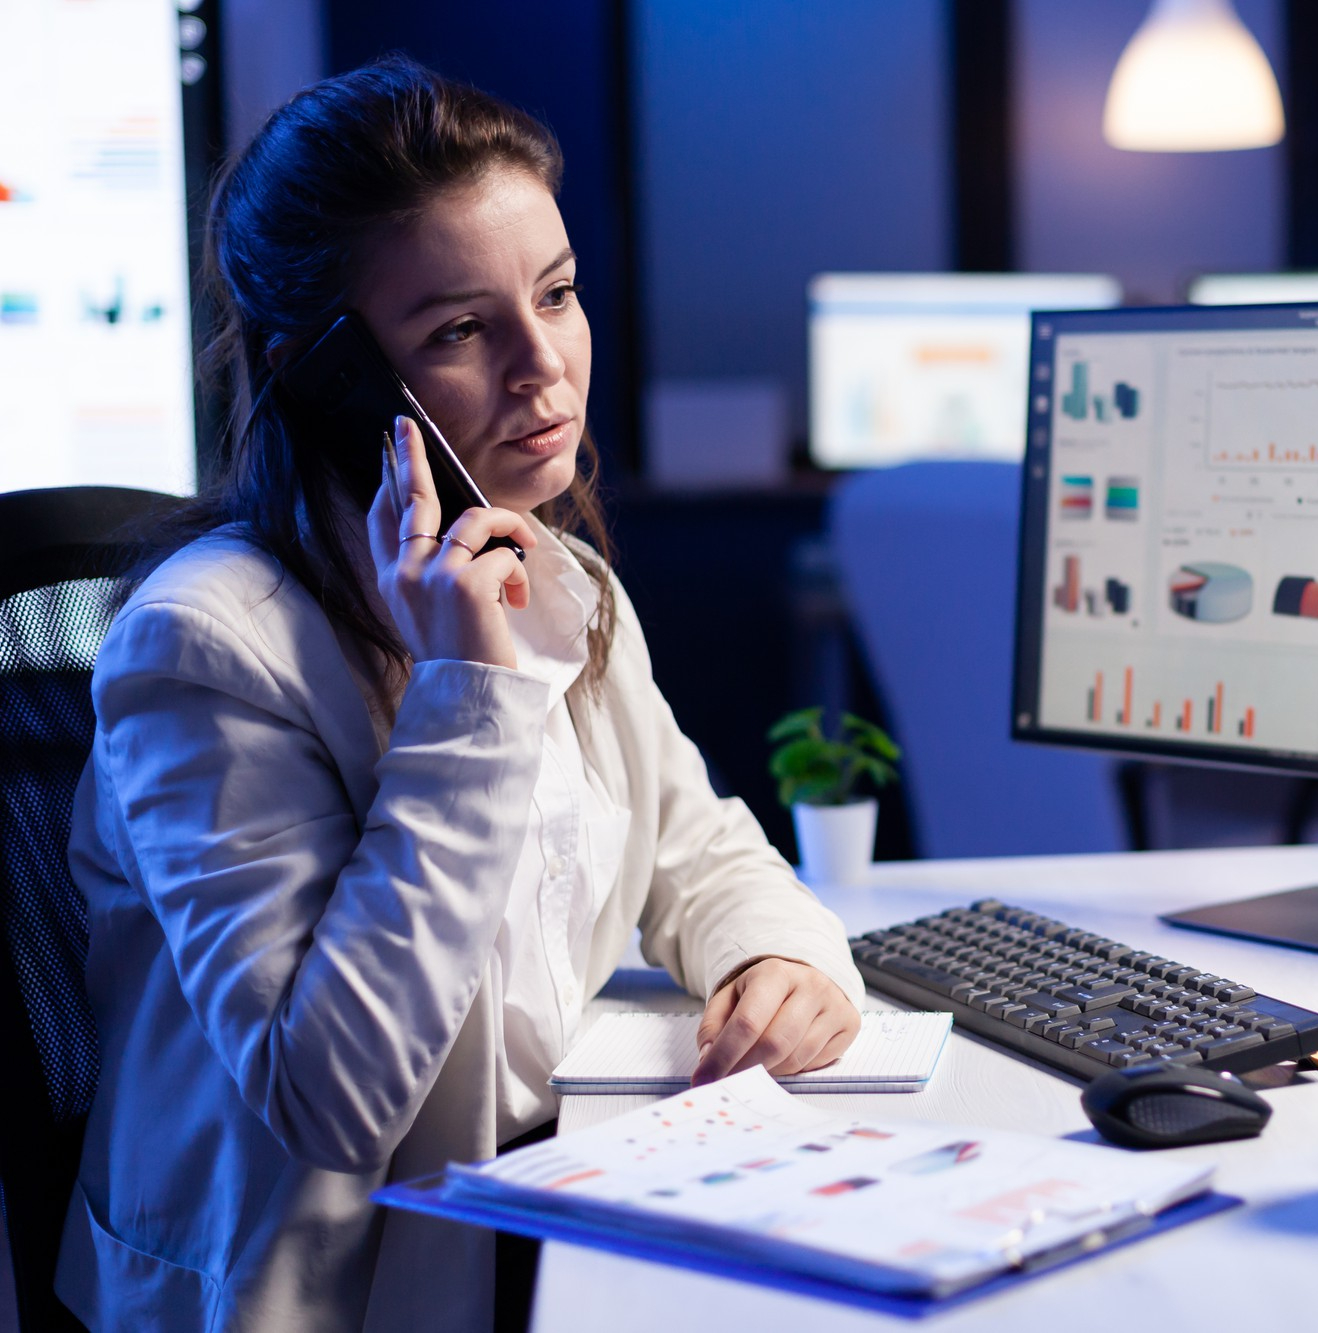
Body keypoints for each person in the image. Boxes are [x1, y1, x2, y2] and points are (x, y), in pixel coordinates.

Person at [56, 57, 863, 1331]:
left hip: (552, 1202)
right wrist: (464, 696)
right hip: (334, 1289)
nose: (545, 368)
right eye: (458, 331)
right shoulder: (201, 648)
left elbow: (701, 852)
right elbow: (333, 1097)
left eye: (556, 295)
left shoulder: (561, 577)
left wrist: (777, 955)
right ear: (331, 378)